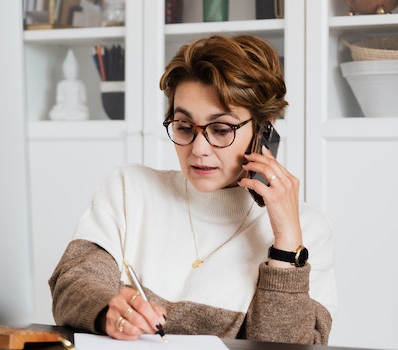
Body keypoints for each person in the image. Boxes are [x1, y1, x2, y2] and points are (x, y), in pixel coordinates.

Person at [48, 35, 337, 345]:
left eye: (221, 129)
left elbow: (286, 345)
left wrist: (285, 248)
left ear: (263, 130)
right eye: (185, 126)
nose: (199, 149)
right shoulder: (129, 190)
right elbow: (72, 285)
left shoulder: (305, 230)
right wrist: (109, 311)